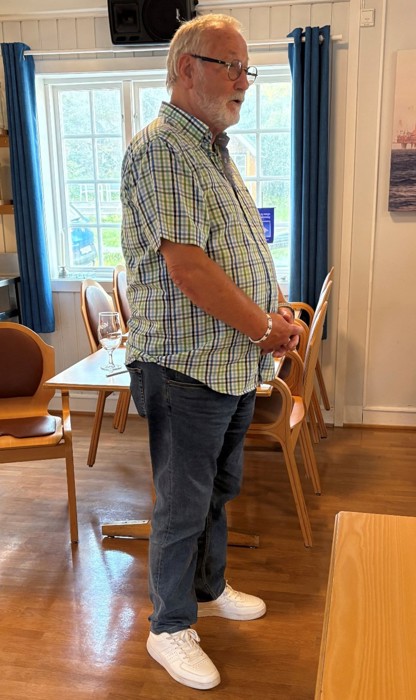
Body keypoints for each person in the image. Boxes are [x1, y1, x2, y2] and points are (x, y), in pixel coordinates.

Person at [121, 13, 301, 691]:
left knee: (219, 491)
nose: (243, 82)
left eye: (246, 69)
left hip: (226, 364)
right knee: (182, 503)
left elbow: (240, 248)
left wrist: (274, 307)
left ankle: (208, 586)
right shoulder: (164, 148)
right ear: (186, 67)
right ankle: (168, 626)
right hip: (185, 366)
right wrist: (264, 329)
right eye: (231, 66)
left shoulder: (212, 149)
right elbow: (190, 269)